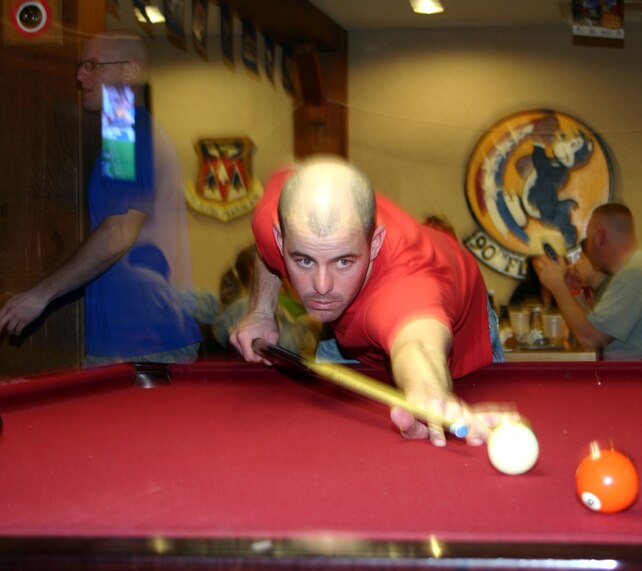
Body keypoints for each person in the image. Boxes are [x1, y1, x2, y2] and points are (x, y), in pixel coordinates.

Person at [229, 156, 504, 447]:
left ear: (373, 244)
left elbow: (417, 345)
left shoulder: (407, 285)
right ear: (281, 239)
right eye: (304, 260)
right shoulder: (277, 219)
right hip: (345, 326)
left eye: (343, 261)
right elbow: (265, 249)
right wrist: (261, 310)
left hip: (454, 330)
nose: (322, 286)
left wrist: (432, 399)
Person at [0, 31, 202, 365]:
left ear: (130, 72)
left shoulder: (133, 132)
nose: (80, 76)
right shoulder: (120, 128)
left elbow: (119, 232)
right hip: (129, 341)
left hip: (148, 343)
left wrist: (39, 295)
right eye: (81, 66)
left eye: (93, 65)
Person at [533, 203, 642, 361]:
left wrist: (558, 287)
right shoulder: (636, 268)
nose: (587, 246)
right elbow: (591, 327)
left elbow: (590, 339)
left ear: (600, 237)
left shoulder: (635, 275)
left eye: (589, 238)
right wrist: (571, 291)